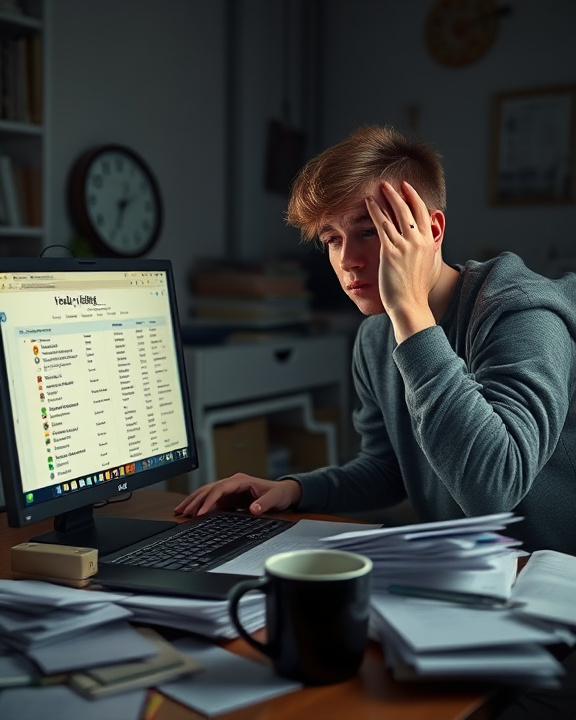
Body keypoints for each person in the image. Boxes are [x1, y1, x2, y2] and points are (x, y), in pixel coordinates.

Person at [175, 124, 576, 555]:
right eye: (332, 239)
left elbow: (494, 487)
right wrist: (293, 489)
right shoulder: (376, 336)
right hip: (459, 572)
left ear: (431, 230)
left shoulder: (522, 313)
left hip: (547, 583)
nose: (347, 260)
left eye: (368, 232)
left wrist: (410, 313)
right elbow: (391, 469)